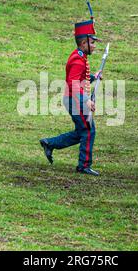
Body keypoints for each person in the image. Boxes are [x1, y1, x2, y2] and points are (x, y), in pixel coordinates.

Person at [39, 11, 102, 176]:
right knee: (88, 130)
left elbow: (80, 79)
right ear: (83, 43)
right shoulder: (77, 59)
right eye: (92, 42)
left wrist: (94, 77)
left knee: (82, 131)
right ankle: (83, 165)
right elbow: (73, 83)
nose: (95, 45)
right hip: (75, 99)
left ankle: (50, 143)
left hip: (74, 98)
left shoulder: (80, 57)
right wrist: (86, 101)